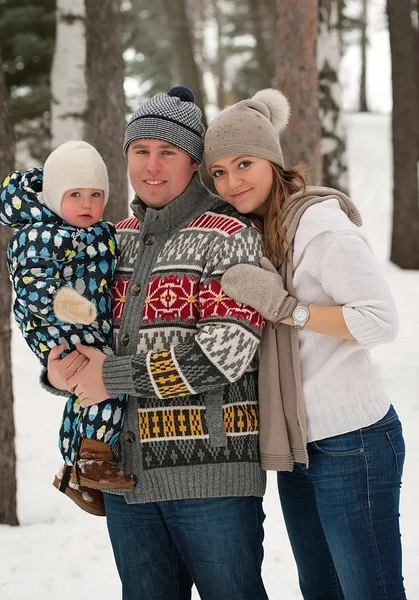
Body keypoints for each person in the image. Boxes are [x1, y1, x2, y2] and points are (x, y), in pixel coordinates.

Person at [44, 86, 269, 600]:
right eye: (140, 151)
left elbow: (225, 354)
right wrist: (58, 371)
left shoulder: (229, 235)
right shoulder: (109, 240)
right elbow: (79, 334)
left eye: (168, 152)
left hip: (213, 479)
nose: (152, 166)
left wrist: (111, 376)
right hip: (126, 479)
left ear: (194, 162)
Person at [204, 88, 406, 600]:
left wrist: (288, 309)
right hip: (298, 445)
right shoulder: (252, 235)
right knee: (320, 589)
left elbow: (380, 320)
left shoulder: (318, 226)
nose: (232, 182)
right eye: (219, 172)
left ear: (272, 160)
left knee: (370, 590)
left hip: (352, 439)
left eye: (244, 163)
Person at [0, 141, 134, 517]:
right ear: (55, 197)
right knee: (106, 385)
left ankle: (76, 467)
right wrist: (69, 305)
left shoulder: (102, 232)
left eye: (95, 194)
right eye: (75, 195)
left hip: (88, 325)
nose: (87, 204)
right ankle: (93, 457)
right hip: (56, 325)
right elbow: (32, 286)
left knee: (87, 391)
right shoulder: (35, 235)